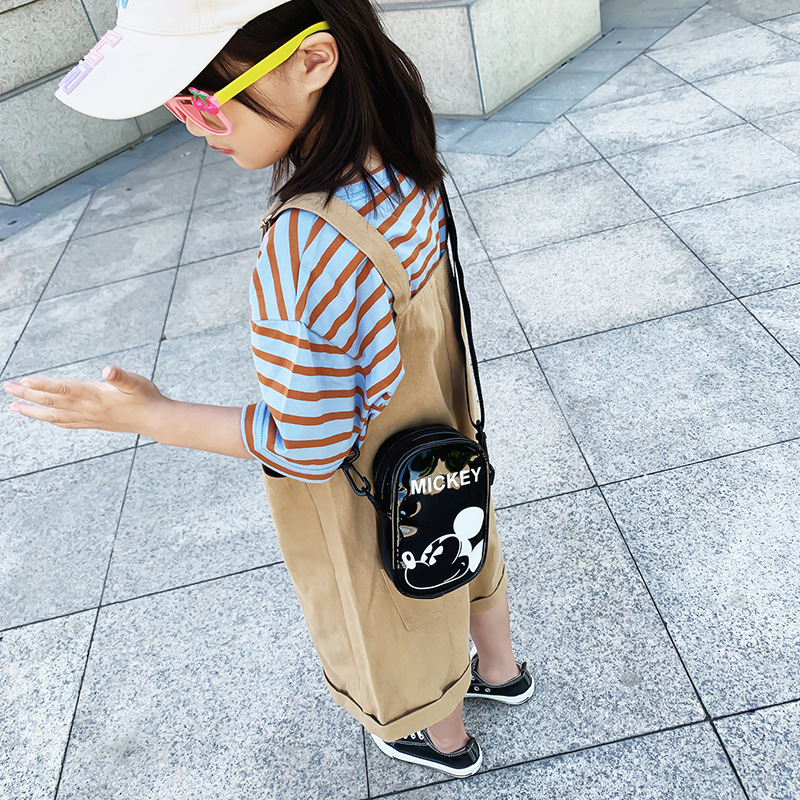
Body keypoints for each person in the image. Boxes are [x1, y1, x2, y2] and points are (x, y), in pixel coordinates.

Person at [3, 0, 533, 780]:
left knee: (396, 596)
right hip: (444, 425)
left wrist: (148, 414)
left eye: (202, 101)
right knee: (461, 537)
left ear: (314, 61)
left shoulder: (302, 245)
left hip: (371, 478)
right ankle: (501, 670)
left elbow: (310, 445)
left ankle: (443, 738)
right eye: (175, 106)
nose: (194, 129)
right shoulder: (400, 148)